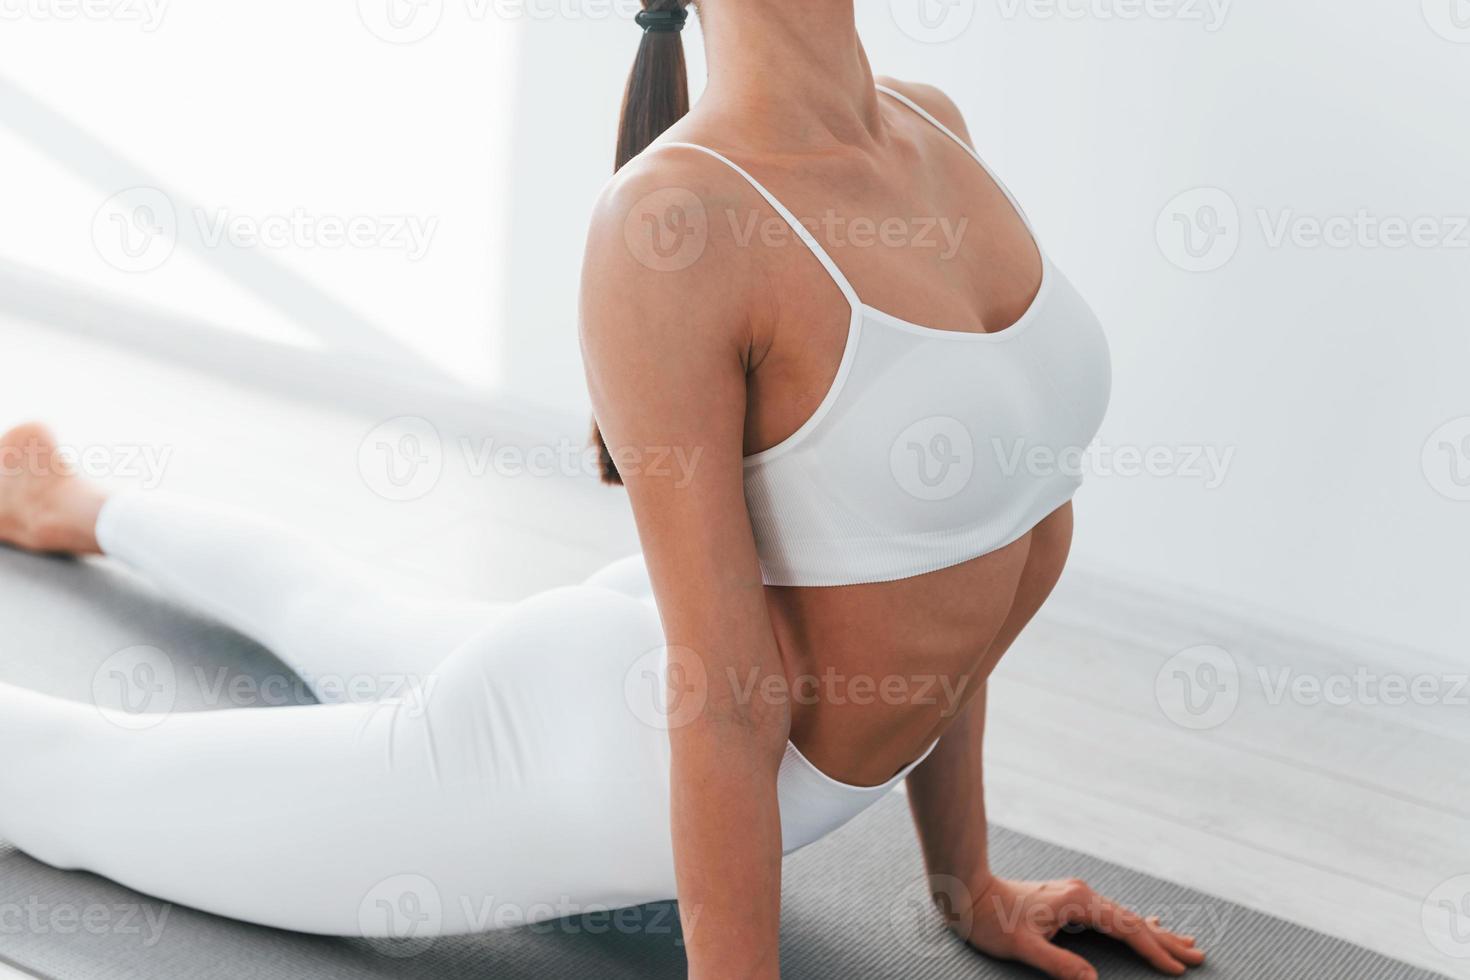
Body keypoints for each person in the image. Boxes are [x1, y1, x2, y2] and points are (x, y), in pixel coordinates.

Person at [0, 3, 1203, 978]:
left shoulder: (936, 132)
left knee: (343, 614)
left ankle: (78, 503)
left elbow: (977, 553)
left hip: (622, 655)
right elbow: (725, 698)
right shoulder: (673, 221)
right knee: (83, 783)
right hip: (593, 762)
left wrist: (967, 887)